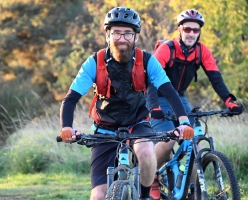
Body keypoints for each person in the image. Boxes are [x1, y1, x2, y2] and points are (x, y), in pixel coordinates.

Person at [59, 7, 194, 200]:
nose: (122, 39)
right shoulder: (94, 62)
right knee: (98, 196)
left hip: (137, 124)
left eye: (128, 33)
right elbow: (71, 98)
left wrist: (183, 121)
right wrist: (66, 127)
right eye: (116, 33)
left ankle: (145, 196)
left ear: (136, 37)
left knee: (147, 152)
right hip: (104, 129)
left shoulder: (147, 61)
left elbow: (169, 92)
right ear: (108, 35)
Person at [147, 9, 243, 200]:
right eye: (187, 29)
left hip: (179, 98)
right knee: (169, 139)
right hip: (158, 96)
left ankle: (192, 190)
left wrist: (229, 101)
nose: (191, 33)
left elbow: (216, 78)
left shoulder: (202, 51)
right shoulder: (167, 48)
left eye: (195, 30)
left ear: (199, 32)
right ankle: (152, 176)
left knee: (196, 144)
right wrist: (154, 107)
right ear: (180, 29)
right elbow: (150, 80)